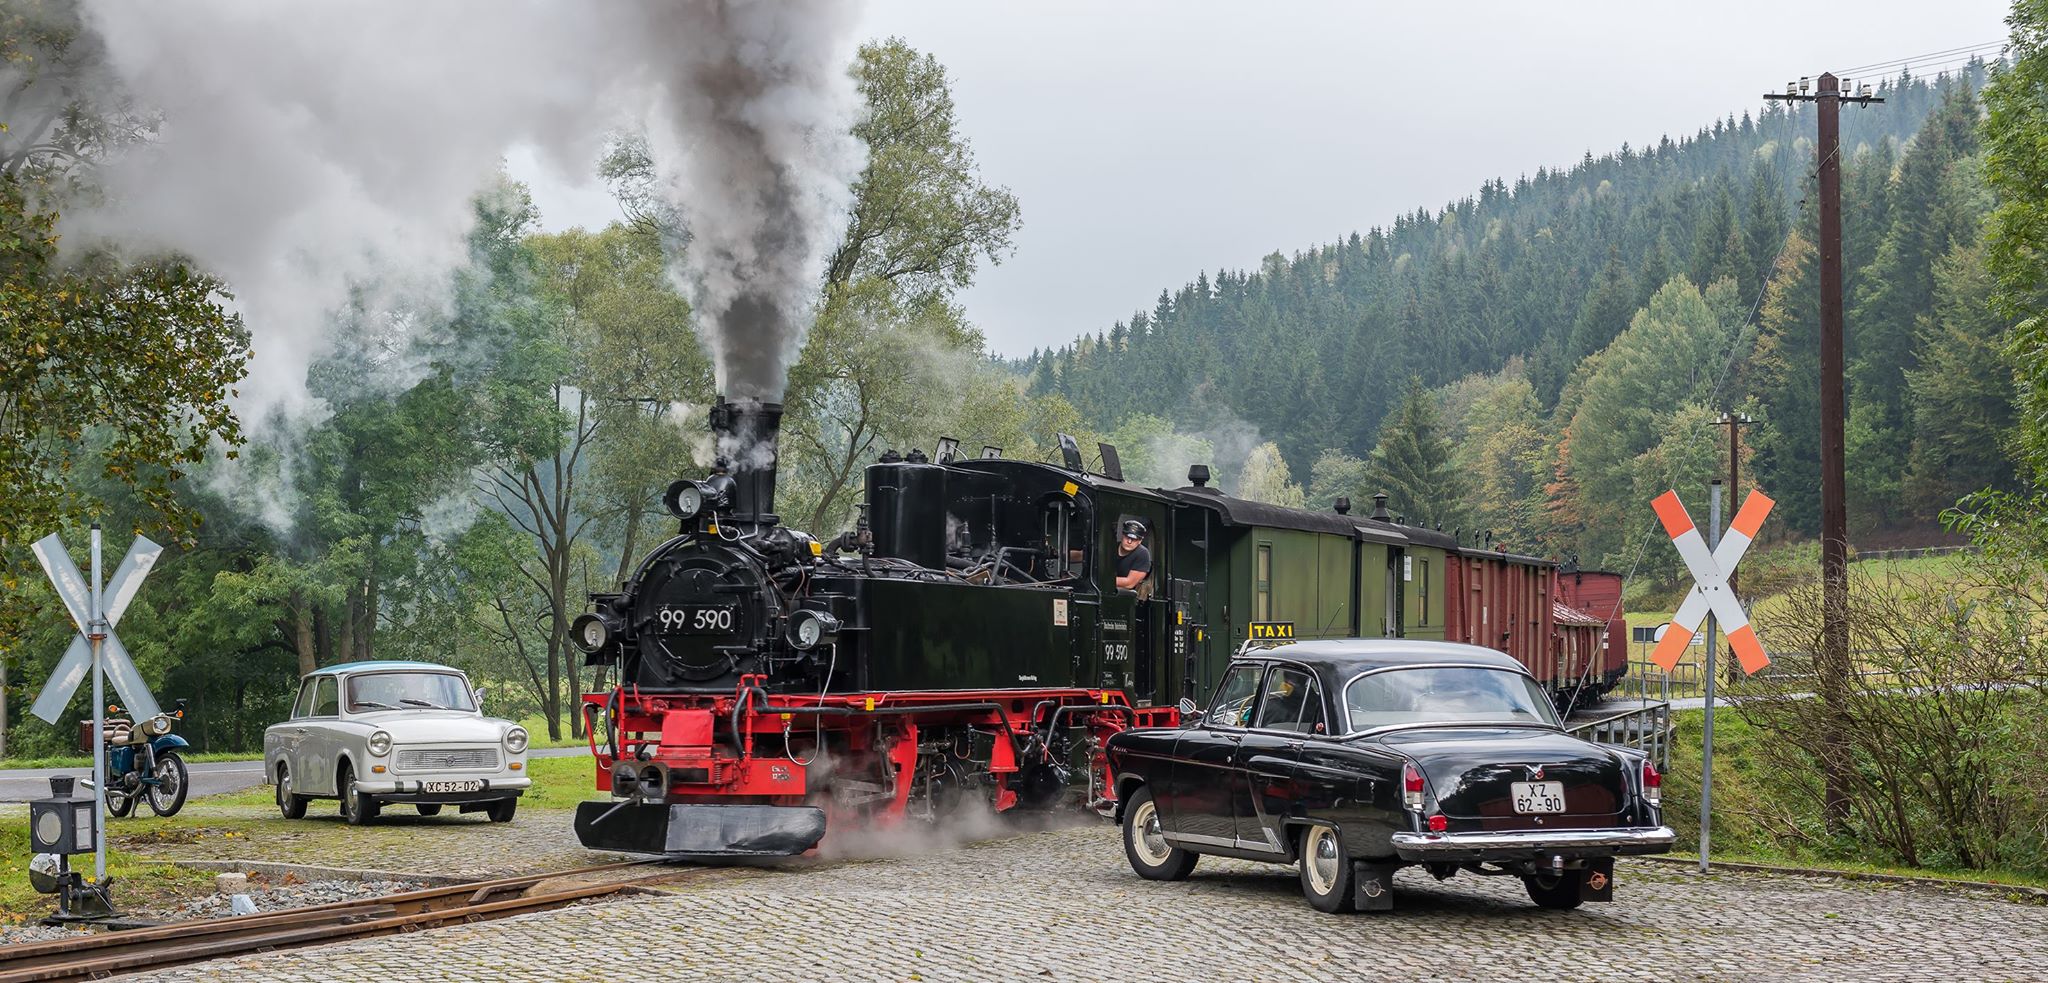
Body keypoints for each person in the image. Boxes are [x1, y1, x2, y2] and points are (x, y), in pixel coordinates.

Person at [1114, 519, 1152, 593]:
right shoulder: (1111, 547)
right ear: (1122, 535)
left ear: (1140, 541)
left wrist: (1103, 580)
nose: (1129, 541)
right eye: (1127, 537)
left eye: (1134, 539)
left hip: (1124, 596)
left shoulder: (1142, 553)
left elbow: (1129, 583)